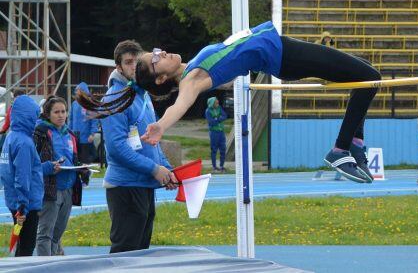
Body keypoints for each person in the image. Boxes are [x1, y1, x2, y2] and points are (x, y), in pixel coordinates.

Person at [77, 21, 381, 184]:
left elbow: (231, 64)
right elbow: (179, 106)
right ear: (159, 79)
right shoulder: (191, 80)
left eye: (155, 51)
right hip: (283, 54)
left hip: (280, 49)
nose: (161, 53)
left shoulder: (193, 65)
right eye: (155, 60)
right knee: (370, 77)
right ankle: (341, 150)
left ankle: (354, 143)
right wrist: (160, 126)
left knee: (363, 79)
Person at [86, 40, 177, 253]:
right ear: (118, 67)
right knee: (125, 254)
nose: (134, 67)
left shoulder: (142, 95)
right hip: (126, 187)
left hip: (143, 184)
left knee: (141, 253)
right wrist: (154, 169)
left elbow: (152, 142)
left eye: (138, 62)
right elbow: (117, 149)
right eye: (128, 62)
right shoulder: (115, 98)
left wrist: (167, 170)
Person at [34, 96, 87, 256]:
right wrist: (49, 167)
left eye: (63, 111)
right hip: (50, 189)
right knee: (45, 234)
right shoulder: (41, 132)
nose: (61, 115)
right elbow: (32, 165)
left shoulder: (70, 134)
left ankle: (55, 263)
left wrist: (83, 170)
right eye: (56, 112)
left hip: (69, 189)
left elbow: (74, 159)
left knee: (57, 234)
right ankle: (45, 267)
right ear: (48, 114)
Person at [0, 95, 48, 256]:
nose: (36, 121)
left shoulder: (10, 137)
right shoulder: (25, 142)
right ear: (28, 116)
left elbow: (7, 173)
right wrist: (23, 207)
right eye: (34, 116)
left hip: (14, 200)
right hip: (26, 203)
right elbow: (23, 176)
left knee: (21, 245)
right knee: (27, 247)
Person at [69, 82, 98, 163]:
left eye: (78, 91)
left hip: (85, 138)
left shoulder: (90, 103)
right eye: (76, 91)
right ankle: (77, 174)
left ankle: (86, 175)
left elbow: (94, 120)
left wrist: (92, 134)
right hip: (74, 136)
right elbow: (71, 119)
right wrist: (69, 131)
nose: (76, 92)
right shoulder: (74, 104)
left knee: (85, 161)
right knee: (75, 159)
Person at [205, 97, 227, 172]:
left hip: (221, 132)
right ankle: (214, 166)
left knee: (223, 149)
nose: (218, 103)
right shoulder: (208, 111)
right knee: (214, 150)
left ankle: (221, 166)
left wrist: (216, 119)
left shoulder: (219, 108)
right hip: (214, 132)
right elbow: (211, 122)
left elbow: (224, 116)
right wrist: (218, 119)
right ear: (212, 103)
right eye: (216, 102)